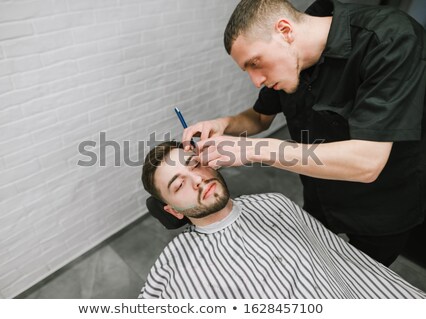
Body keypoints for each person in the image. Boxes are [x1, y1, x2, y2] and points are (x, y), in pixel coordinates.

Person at [182, 0, 426, 267]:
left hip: (380, 208)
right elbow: (260, 118)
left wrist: (255, 150)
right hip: (320, 196)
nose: (256, 80)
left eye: (255, 63)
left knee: (356, 282)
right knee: (316, 266)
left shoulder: (389, 39)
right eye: (247, 70)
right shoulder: (290, 56)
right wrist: (223, 124)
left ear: (285, 31)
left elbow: (367, 162)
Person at [139, 141, 426, 298]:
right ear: (173, 211)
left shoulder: (275, 203)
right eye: (178, 186)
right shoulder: (174, 263)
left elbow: (345, 262)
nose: (198, 180)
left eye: (195, 165)